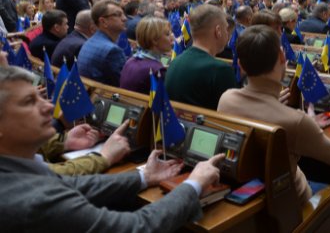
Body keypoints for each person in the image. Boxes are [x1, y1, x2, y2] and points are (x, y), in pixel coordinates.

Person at [0, 65, 226, 232]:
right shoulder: (31, 200)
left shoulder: (15, 169)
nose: (49, 107)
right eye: (29, 101)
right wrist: (193, 184)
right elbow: (136, 228)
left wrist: (144, 176)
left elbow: (75, 184)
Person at [218, 25, 330, 217]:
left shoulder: (226, 99)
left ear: (240, 65)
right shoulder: (296, 122)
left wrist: (304, 122)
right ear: (283, 58)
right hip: (298, 205)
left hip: (258, 202)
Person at [166, 5, 237, 110]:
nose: (228, 35)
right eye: (226, 29)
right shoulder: (221, 70)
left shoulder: (175, 62)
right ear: (218, 31)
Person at [77, 1, 127, 86]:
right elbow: (124, 84)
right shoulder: (112, 51)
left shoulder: (90, 41)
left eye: (123, 14)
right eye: (118, 15)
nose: (124, 18)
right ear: (103, 22)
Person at [120, 17, 173, 94]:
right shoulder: (157, 71)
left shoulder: (130, 60)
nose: (172, 37)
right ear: (154, 40)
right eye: (168, 34)